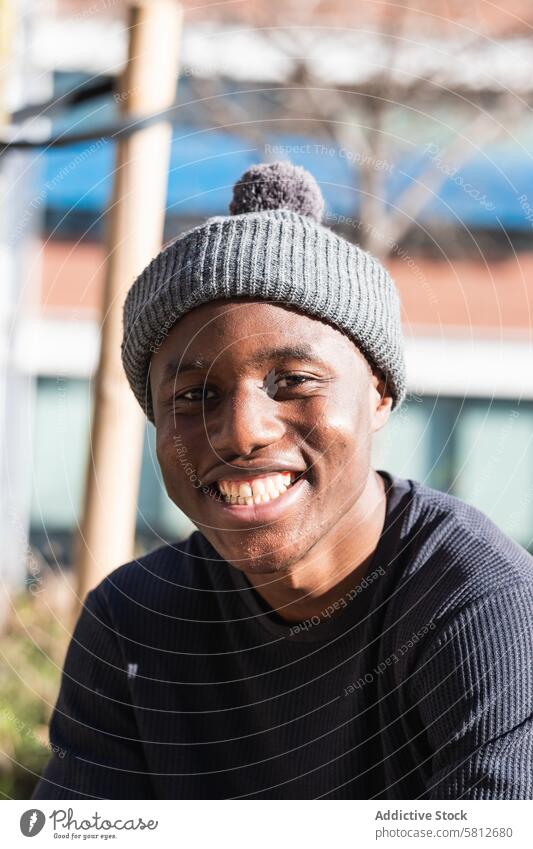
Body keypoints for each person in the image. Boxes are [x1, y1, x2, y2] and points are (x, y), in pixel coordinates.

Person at [34, 161, 533, 800]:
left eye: (293, 381)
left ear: (378, 393)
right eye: (193, 394)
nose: (242, 432)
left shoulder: (478, 607)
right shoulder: (132, 619)